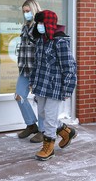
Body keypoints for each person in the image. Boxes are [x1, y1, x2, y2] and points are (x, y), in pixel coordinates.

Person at [30, 10, 77, 161]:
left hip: (54, 86)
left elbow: (69, 66)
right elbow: (36, 64)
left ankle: (48, 146)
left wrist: (68, 88)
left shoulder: (60, 42)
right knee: (43, 114)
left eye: (42, 23)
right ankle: (65, 131)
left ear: (49, 23)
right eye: (38, 23)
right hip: (41, 85)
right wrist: (32, 82)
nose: (39, 26)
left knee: (49, 117)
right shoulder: (40, 41)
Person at [15, 0, 44, 143]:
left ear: (34, 10)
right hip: (24, 69)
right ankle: (31, 124)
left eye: (28, 11)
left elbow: (41, 50)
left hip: (37, 70)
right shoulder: (25, 27)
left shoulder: (39, 28)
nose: (26, 14)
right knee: (19, 96)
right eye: (24, 12)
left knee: (40, 100)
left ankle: (44, 130)